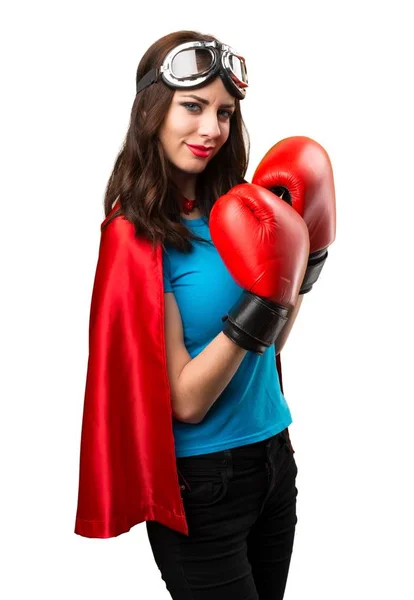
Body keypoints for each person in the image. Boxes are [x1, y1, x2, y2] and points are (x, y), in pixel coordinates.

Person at [74, 29, 336, 600]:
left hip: (273, 460)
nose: (211, 129)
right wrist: (263, 300)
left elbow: (268, 349)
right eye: (193, 107)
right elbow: (188, 400)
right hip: (203, 485)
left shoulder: (243, 209)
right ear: (153, 111)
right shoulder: (138, 235)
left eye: (223, 111)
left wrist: (305, 267)